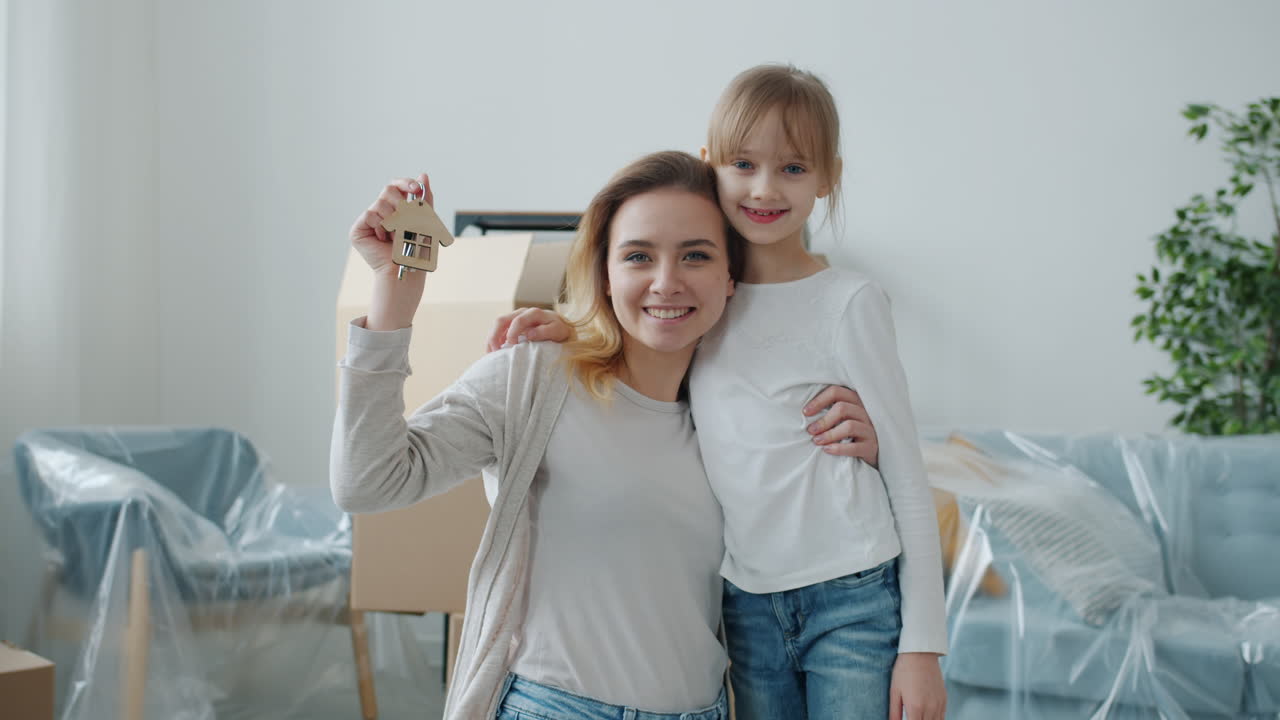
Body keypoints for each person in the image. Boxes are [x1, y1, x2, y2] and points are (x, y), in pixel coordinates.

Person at [330, 150, 872, 720]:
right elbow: (368, 483)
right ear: (605, 275)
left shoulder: (753, 415)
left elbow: (825, 565)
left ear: (730, 276)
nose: (667, 282)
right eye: (638, 256)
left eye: (696, 255)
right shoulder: (532, 377)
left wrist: (869, 452)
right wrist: (393, 297)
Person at [488, 65, 947, 720]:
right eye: (744, 164)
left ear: (829, 177)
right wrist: (576, 329)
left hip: (851, 596)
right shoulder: (704, 299)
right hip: (746, 603)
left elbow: (905, 471)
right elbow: (644, 330)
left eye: (794, 168)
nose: (765, 188)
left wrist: (923, 648)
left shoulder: (850, 302)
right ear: (711, 168)